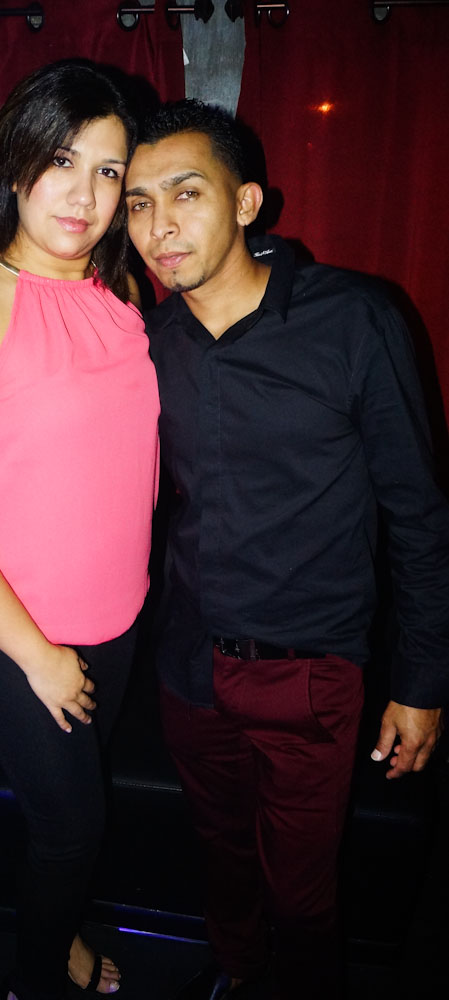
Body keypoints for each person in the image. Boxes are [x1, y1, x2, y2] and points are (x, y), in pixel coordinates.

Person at [125, 99, 448, 1000]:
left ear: (245, 202)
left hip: (308, 669)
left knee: (302, 893)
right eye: (139, 203)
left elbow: (418, 514)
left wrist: (421, 685)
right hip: (189, 661)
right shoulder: (149, 344)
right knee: (219, 854)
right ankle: (235, 973)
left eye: (184, 193)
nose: (158, 226)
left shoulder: (353, 318)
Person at [0, 61, 159, 1000]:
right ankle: (39, 977)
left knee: (79, 811)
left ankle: (68, 931)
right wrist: (38, 657)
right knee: (70, 828)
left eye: (106, 171)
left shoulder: (123, 298)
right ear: (15, 165)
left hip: (118, 619)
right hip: (13, 636)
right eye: (61, 160)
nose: (84, 195)